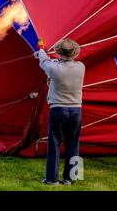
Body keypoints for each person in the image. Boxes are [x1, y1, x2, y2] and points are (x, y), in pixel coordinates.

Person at [36, 38, 85, 185]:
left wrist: (41, 50)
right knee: (73, 144)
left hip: (58, 109)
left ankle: (51, 179)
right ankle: (72, 178)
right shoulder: (81, 67)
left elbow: (44, 61)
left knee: (54, 143)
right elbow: (58, 64)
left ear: (59, 53)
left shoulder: (53, 68)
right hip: (76, 110)